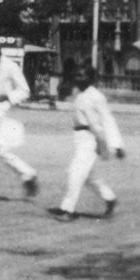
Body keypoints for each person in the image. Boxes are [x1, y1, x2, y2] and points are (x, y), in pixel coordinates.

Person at [51, 66, 125, 222]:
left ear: (91, 79)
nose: (79, 78)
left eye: (83, 76)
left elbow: (107, 119)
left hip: (91, 137)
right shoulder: (80, 94)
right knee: (86, 176)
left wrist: (116, 144)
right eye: (77, 75)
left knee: (75, 172)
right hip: (79, 137)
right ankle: (109, 198)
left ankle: (68, 209)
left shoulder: (96, 96)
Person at [0, 41, 38, 202]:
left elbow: (25, 90)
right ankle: (26, 174)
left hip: (1, 111)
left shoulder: (10, 66)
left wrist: (9, 97)